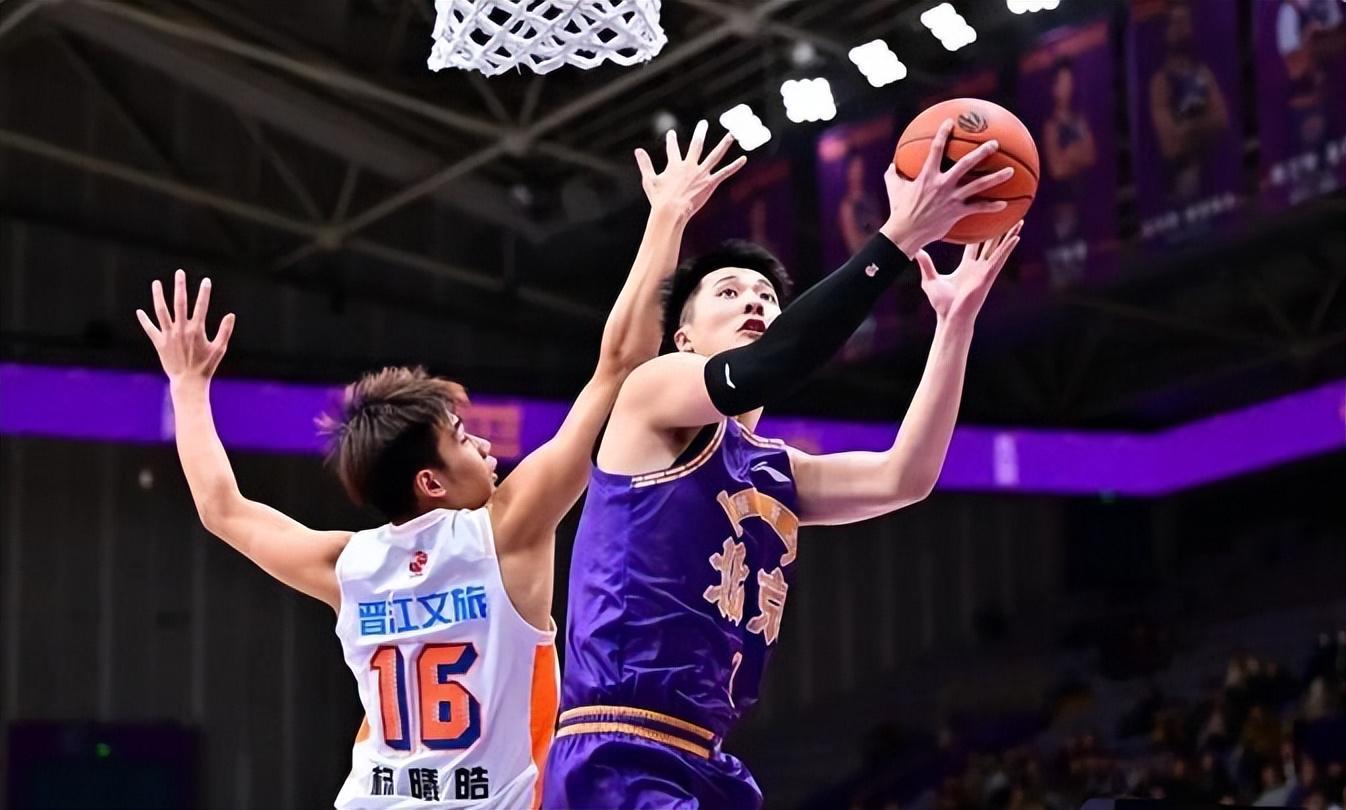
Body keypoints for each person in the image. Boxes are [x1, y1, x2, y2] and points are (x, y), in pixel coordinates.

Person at [135, 123, 744, 809]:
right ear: (430, 482)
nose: (485, 446)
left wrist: (187, 386)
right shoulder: (506, 529)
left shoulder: (349, 565)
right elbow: (620, 366)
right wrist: (667, 217)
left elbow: (222, 509)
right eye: (462, 438)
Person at [541, 119, 1021, 810]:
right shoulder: (654, 392)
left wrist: (955, 326)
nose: (754, 301)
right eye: (729, 292)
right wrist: (897, 238)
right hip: (620, 748)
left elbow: (905, 478)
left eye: (766, 296)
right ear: (684, 337)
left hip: (709, 757)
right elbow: (773, 364)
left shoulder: (774, 470)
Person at [1147, 0, 1231, 201]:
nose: (1182, 29)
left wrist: (1189, 128)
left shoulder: (1202, 73)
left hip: (1214, 176)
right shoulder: (1160, 82)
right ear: (1166, 31)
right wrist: (1204, 125)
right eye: (1176, 22)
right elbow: (1171, 144)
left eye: (1185, 22)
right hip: (1180, 181)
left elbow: (1222, 120)